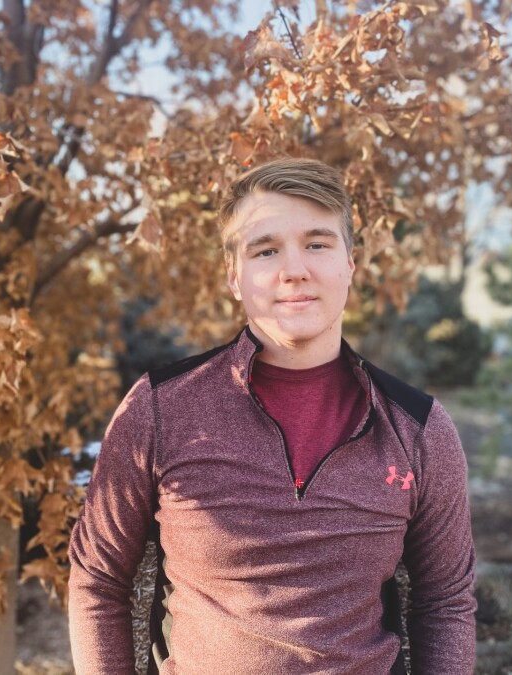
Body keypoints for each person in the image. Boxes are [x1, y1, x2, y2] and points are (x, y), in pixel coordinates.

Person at [68, 158, 477, 674]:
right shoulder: (160, 409)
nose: (294, 270)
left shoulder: (417, 429)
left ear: (350, 264)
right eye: (266, 250)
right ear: (234, 276)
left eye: (317, 244)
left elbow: (446, 601)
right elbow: (97, 579)